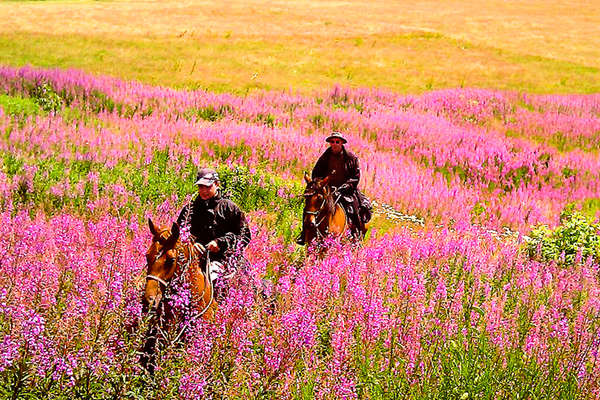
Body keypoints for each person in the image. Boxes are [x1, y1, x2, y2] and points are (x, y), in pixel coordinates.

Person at [176, 168, 251, 285]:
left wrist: (220, 243)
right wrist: (192, 245)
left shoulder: (229, 208)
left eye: (208, 187)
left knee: (212, 282)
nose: (204, 191)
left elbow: (244, 236)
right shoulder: (190, 209)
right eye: (201, 187)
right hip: (192, 258)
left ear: (217, 184)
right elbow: (178, 234)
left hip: (222, 260)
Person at [296, 132, 372, 245]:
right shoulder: (325, 157)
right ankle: (304, 234)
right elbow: (316, 172)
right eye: (332, 142)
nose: (335, 144)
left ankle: (357, 236)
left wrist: (344, 187)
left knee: (354, 208)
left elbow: (355, 177)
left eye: (337, 142)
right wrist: (320, 184)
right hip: (327, 190)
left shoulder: (351, 158)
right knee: (309, 208)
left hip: (346, 191)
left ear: (342, 143)